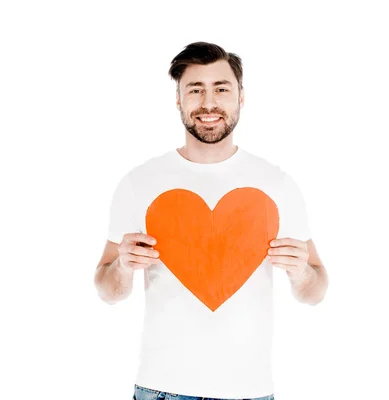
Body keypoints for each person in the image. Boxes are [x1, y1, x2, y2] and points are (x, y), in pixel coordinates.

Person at [94, 42, 329, 400]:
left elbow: (316, 291)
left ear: (241, 97)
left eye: (221, 88)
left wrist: (300, 272)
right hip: (161, 390)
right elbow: (106, 290)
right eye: (195, 89)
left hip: (250, 392)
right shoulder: (139, 183)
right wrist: (123, 267)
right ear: (178, 99)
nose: (209, 103)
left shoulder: (277, 184)